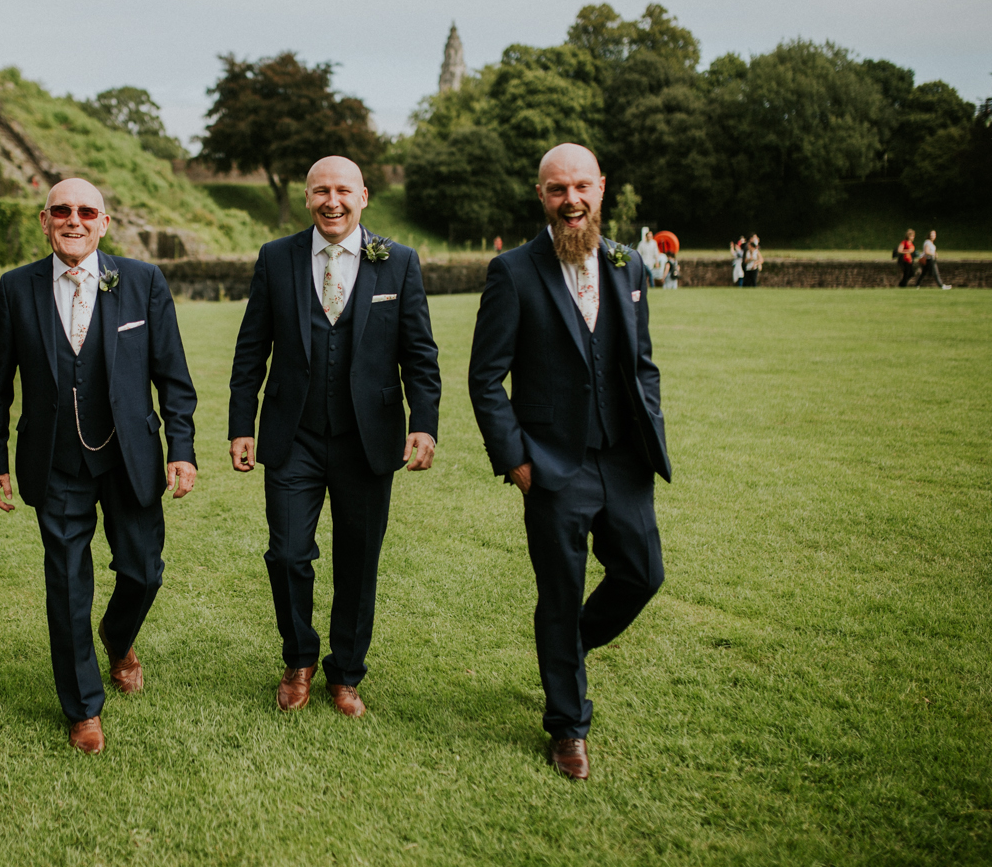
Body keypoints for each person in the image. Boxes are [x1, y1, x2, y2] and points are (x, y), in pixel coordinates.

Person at [467, 143, 670, 781]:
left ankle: (568, 647)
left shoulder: (626, 264)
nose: (571, 200)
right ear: (542, 196)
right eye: (558, 189)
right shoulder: (513, 271)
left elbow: (641, 363)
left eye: (581, 186)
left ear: (602, 188)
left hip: (625, 461)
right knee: (560, 594)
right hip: (552, 467)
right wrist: (517, 462)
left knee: (642, 575)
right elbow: (484, 379)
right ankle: (568, 727)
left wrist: (651, 432)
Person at [0, 179, 198, 754]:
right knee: (68, 585)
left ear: (104, 222)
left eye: (86, 211)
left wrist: (182, 448)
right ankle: (82, 708)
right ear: (44, 220)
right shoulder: (16, 288)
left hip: (131, 457)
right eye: (62, 211)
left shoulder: (144, 281)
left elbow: (172, 374)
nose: (74, 220)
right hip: (55, 463)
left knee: (143, 572)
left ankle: (117, 637)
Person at [228, 156, 441, 718]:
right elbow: (252, 348)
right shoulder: (277, 258)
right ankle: (299, 659)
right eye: (321, 191)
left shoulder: (397, 262)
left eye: (342, 190)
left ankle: (345, 673)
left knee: (358, 560)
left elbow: (420, 353)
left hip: (366, 441)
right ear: (307, 198)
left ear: (363, 196)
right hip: (292, 437)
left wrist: (424, 421)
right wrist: (239, 426)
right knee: (288, 554)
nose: (332, 201)